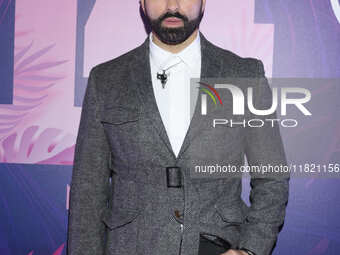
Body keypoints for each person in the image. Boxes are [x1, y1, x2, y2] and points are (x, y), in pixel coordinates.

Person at [66, 0, 290, 255]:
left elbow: (272, 176)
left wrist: (250, 250)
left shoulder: (244, 74)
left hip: (214, 245)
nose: (172, 5)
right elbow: (88, 190)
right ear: (142, 2)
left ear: (203, 2)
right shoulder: (107, 80)